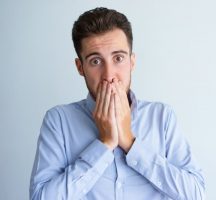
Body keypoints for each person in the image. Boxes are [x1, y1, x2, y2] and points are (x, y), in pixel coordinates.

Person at [30, 7, 205, 200]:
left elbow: (196, 194)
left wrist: (130, 142)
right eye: (96, 61)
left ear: (132, 62)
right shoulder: (59, 121)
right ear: (80, 67)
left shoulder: (162, 117)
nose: (109, 75)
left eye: (118, 58)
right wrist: (104, 144)